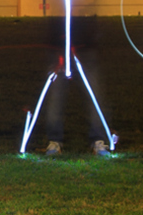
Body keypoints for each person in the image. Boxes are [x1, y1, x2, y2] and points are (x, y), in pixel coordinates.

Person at [43, 12, 112, 156]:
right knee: (56, 97)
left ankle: (98, 140)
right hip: (59, 46)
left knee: (94, 96)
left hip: (84, 45)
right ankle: (54, 140)